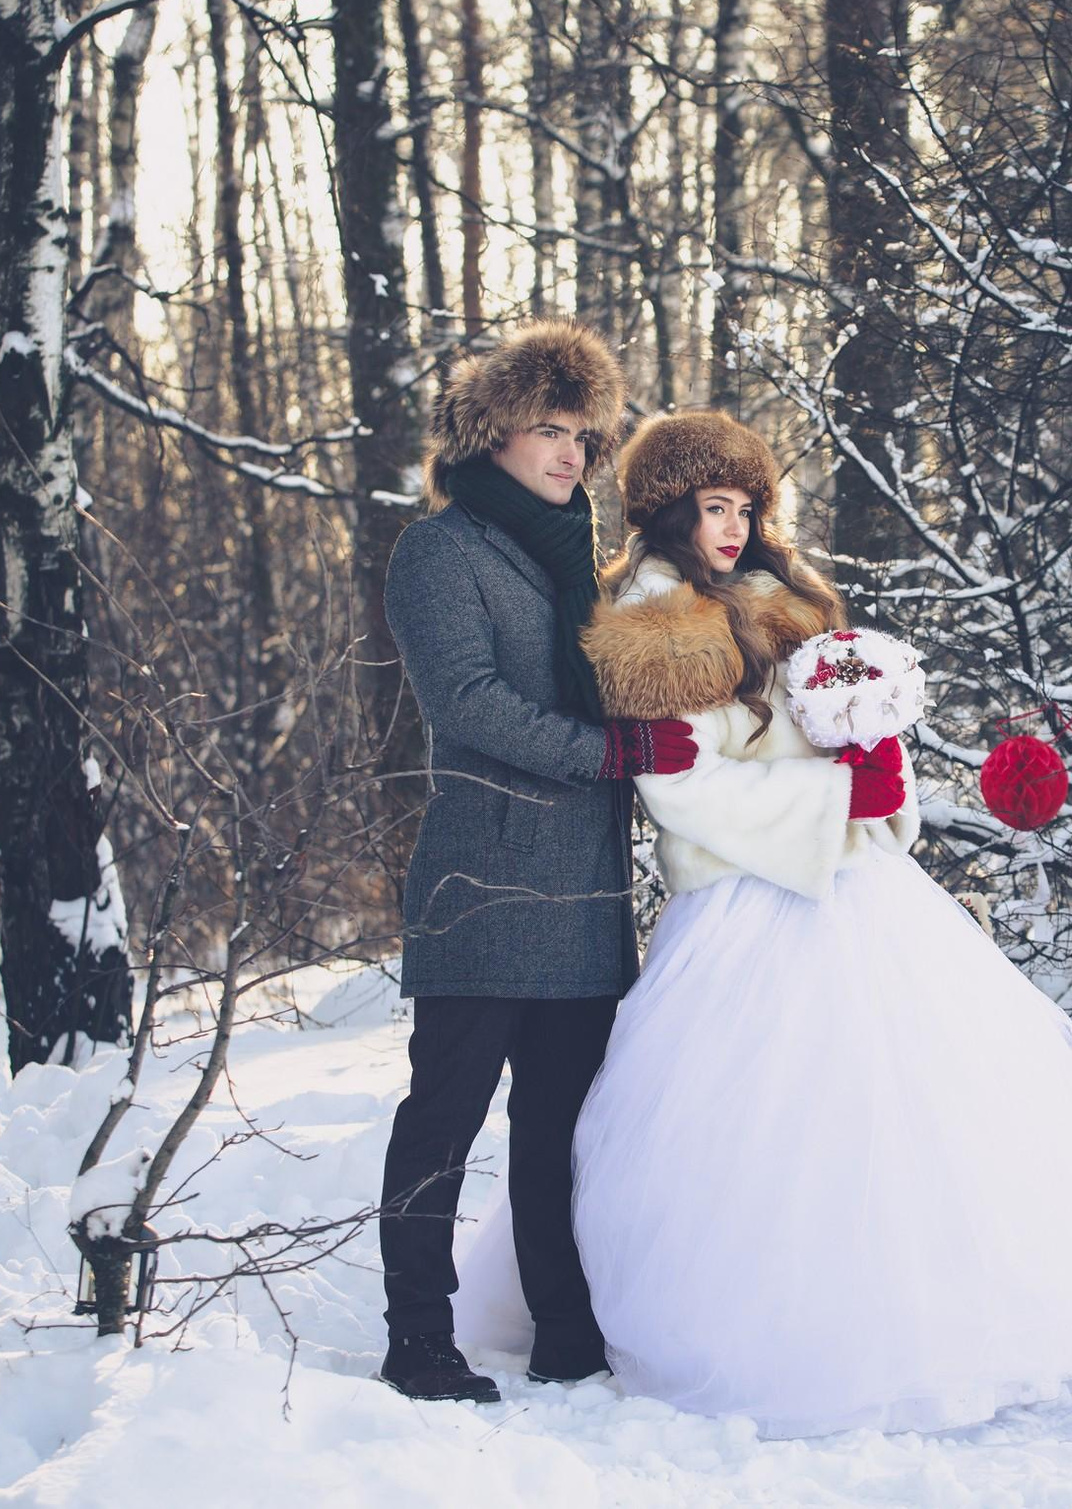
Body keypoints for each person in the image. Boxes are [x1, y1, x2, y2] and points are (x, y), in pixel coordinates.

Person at [461, 409, 1072, 1436]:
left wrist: (879, 773)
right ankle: (776, 1335)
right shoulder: (648, 613)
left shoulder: (789, 598)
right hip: (741, 902)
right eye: (711, 505)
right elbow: (681, 791)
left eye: (744, 505)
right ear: (667, 509)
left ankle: (969, 1315)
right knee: (761, 1132)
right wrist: (831, 802)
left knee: (928, 1108)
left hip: (861, 895)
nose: (731, 526)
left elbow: (850, 726)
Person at [374, 322, 695, 1403]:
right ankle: (417, 1336)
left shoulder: (584, 562)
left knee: (562, 1133)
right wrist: (608, 749)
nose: (569, 452)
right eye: (547, 429)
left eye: (584, 434)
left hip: (587, 894)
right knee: (442, 1124)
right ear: (493, 432)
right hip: (484, 887)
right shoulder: (442, 549)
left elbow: (632, 686)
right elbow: (465, 704)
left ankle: (566, 1328)